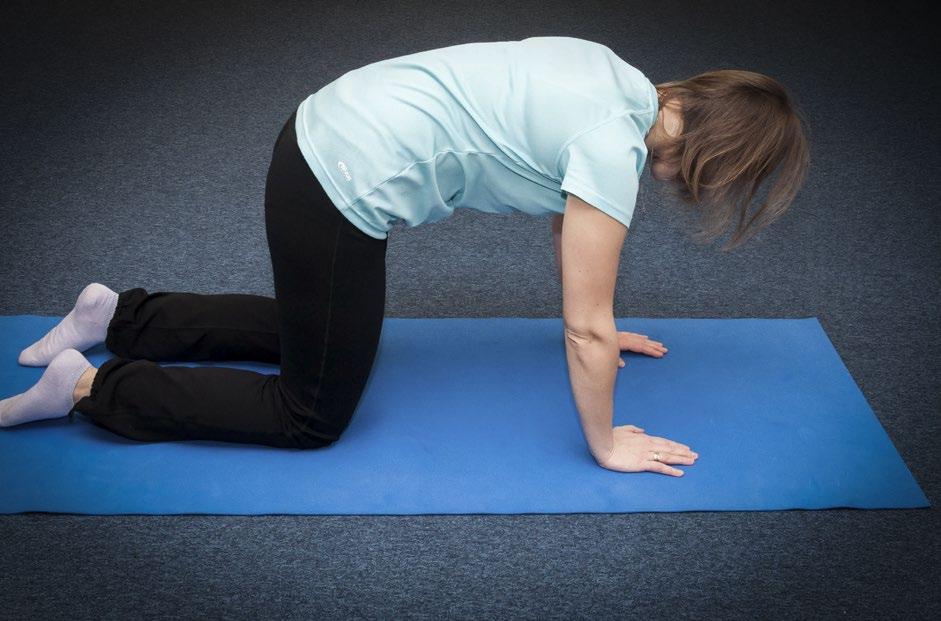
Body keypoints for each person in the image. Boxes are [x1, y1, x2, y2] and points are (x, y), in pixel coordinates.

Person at [0, 36, 809, 476]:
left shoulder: (619, 79)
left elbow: (574, 229)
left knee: (328, 335)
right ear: (717, 159)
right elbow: (583, 326)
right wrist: (605, 438)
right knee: (309, 414)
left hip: (320, 127)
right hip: (337, 182)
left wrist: (600, 318)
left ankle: (118, 314)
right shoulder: (610, 150)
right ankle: (89, 386)